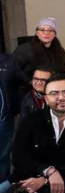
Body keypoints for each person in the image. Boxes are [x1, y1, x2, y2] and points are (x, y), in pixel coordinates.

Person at [0, 52, 27, 181]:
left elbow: (24, 83)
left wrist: (14, 104)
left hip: (3, 118)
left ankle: (2, 191)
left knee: (3, 156)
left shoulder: (8, 61)